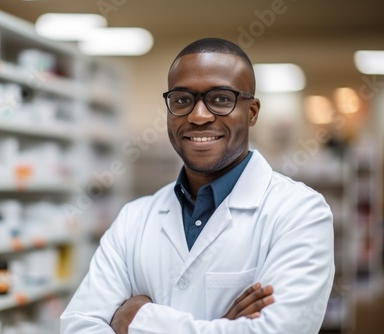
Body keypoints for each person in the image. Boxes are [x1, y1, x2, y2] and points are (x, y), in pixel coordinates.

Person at [60, 37, 335, 334]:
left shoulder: (301, 213)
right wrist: (222, 326)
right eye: (182, 99)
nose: (198, 116)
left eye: (220, 99)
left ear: (252, 111)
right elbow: (79, 326)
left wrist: (139, 319)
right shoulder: (133, 219)